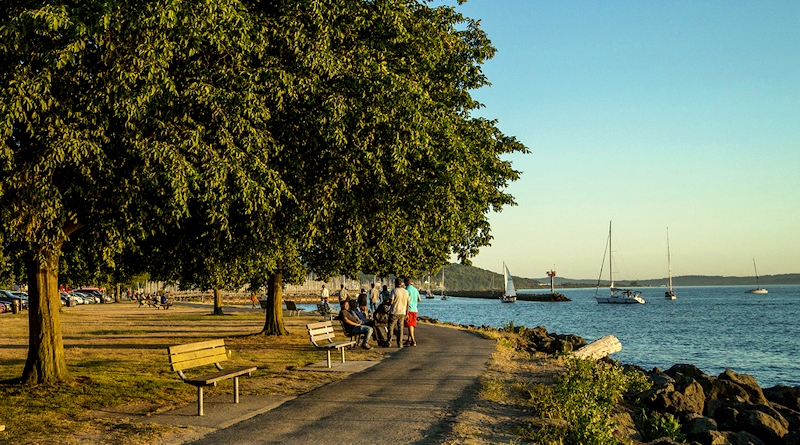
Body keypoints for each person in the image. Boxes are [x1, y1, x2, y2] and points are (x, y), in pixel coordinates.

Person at [387, 278, 410, 348]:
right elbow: (408, 303)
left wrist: (386, 304)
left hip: (394, 311)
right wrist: (407, 313)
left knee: (391, 327)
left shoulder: (394, 291)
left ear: (395, 283)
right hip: (402, 312)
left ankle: (389, 342)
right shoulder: (406, 292)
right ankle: (400, 343)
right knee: (400, 328)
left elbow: (391, 302)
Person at [403, 278, 421, 346]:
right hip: (415, 309)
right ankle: (409, 340)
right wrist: (414, 302)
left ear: (405, 283)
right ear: (411, 282)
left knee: (409, 325)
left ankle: (413, 341)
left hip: (409, 309)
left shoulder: (406, 290)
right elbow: (419, 299)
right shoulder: (415, 290)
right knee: (412, 325)